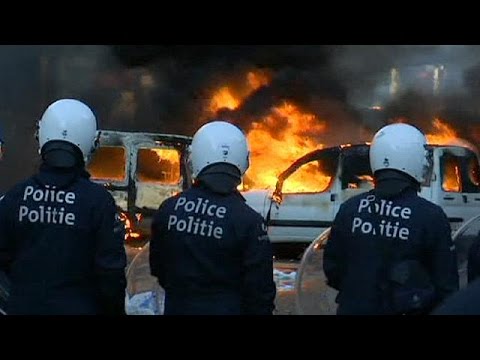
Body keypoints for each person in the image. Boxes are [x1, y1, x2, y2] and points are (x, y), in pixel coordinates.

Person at [0, 99, 127, 315]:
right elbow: (111, 273)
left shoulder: (14, 197)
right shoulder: (98, 202)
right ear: (91, 142)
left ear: (40, 136)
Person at [323, 123, 459, 315]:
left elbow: (333, 269)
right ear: (414, 159)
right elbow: (446, 286)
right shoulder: (431, 216)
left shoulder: (350, 209)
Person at [149, 120, 276, 315]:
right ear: (244, 162)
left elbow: (158, 268)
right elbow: (260, 290)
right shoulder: (249, 221)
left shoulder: (169, 209)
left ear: (195, 158)